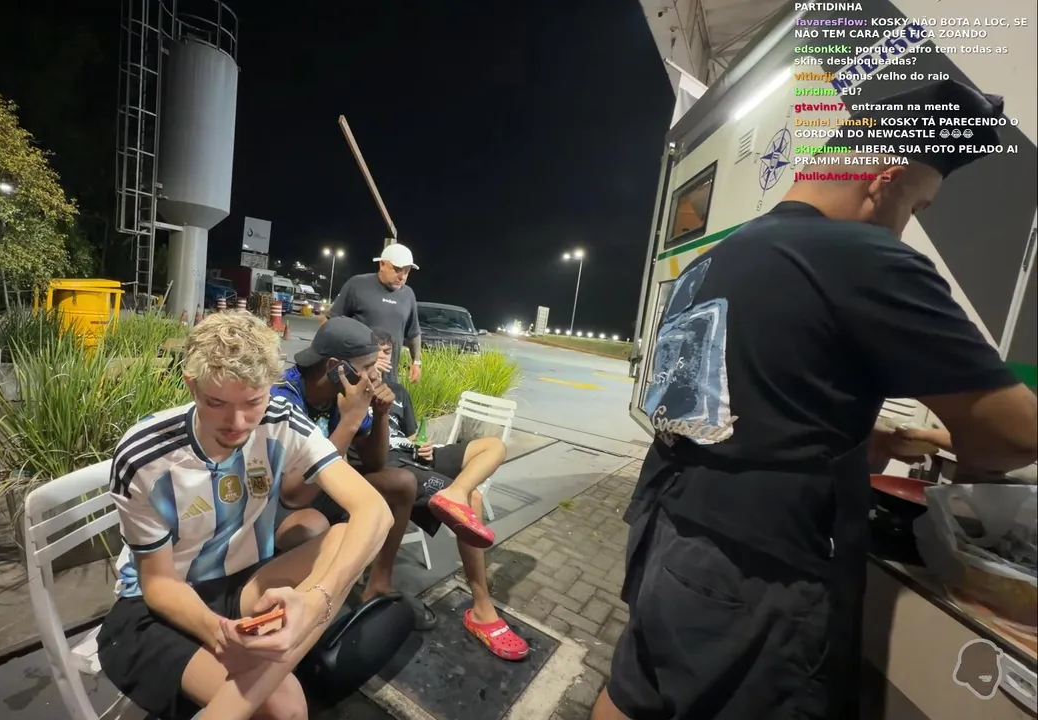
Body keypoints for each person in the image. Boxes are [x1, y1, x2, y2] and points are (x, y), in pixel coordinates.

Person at [597, 80, 1038, 720]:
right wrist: (949, 439)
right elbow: (1016, 437)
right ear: (885, 179)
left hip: (666, 534)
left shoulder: (721, 256)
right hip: (758, 573)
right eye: (917, 206)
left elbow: (735, 406)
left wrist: (874, 440)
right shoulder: (864, 256)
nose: (906, 227)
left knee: (634, 693)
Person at [96, 311, 393, 720]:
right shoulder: (147, 454)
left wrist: (314, 602)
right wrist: (220, 634)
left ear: (270, 388)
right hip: (156, 606)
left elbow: (375, 511)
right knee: (286, 706)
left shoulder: (280, 418)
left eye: (253, 402)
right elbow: (159, 583)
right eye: (216, 403)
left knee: (344, 538)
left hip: (240, 580)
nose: (237, 424)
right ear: (191, 385)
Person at [372, 329, 530, 661]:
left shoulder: (399, 391)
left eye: (388, 352)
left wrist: (423, 445)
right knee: (473, 501)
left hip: (414, 458)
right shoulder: (357, 392)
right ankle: (482, 609)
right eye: (377, 352)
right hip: (390, 467)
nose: (384, 358)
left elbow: (412, 435)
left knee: (493, 446)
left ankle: (455, 492)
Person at [272, 316, 437, 627]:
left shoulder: (342, 394)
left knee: (401, 483)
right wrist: (349, 422)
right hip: (279, 503)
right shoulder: (284, 398)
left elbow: (375, 464)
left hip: (322, 487)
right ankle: (308, 611)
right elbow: (293, 496)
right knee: (314, 525)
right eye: (367, 366)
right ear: (336, 367)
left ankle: (378, 585)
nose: (375, 374)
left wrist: (381, 414)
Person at [322, 242, 422, 385]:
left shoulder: (408, 295)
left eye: (406, 272)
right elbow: (330, 323)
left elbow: (414, 333)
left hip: (388, 380)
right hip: (356, 377)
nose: (402, 277)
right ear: (382, 264)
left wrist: (416, 362)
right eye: (397, 269)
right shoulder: (357, 285)